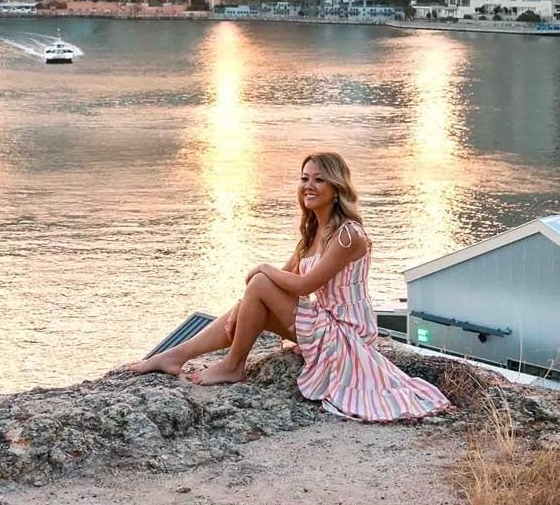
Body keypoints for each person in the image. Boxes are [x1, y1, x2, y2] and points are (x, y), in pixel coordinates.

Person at [128, 152, 450, 422]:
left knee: (259, 282)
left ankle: (232, 365)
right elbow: (280, 286)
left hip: (346, 332)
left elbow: (304, 284)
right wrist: (242, 310)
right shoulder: (311, 234)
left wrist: (261, 269)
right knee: (254, 296)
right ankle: (174, 357)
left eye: (319, 179)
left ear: (337, 188)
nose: (308, 186)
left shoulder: (349, 235)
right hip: (321, 323)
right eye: (304, 178)